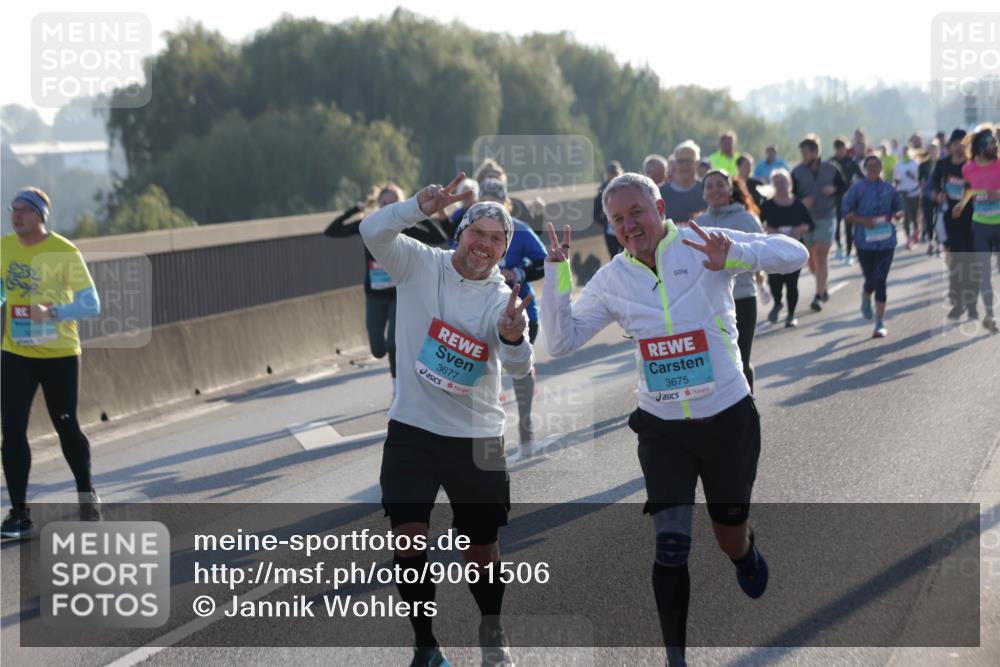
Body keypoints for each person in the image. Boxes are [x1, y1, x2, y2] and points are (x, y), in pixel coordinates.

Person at [542, 172, 807, 666]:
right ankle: (676, 659)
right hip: (663, 428)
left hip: (727, 417)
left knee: (729, 535)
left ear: (659, 207)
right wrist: (556, 275)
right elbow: (560, 343)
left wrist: (738, 256)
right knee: (670, 544)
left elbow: (796, 254)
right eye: (618, 219)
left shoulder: (701, 243)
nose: (629, 225)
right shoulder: (613, 278)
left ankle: (744, 552)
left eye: (636, 212)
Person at [360, 173, 534, 667]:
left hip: (474, 438)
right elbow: (372, 233)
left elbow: (520, 368)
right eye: (477, 232)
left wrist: (515, 337)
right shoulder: (418, 263)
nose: (485, 244)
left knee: (481, 549)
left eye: (497, 239)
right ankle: (425, 643)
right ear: (460, 234)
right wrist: (416, 206)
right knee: (409, 542)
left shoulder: (504, 300)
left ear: (503, 251)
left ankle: (492, 634)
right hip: (411, 432)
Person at [2, 187, 103, 540]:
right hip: (16, 352)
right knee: (12, 428)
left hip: (59, 353)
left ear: (40, 216)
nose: (16, 216)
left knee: (66, 425)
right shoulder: (4, 247)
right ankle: (18, 514)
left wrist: (53, 312)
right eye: (13, 209)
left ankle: (86, 496)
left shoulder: (64, 251)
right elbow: (1, 289)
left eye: (24, 210)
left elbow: (92, 304)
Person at [324, 183, 448, 403]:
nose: (387, 208)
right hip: (374, 294)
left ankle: (396, 390)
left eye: (393, 204)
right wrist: (356, 209)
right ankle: (396, 379)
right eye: (383, 204)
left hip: (399, 292)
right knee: (378, 349)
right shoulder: (368, 226)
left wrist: (417, 213)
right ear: (377, 205)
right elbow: (332, 231)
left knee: (393, 343)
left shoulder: (406, 227)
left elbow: (438, 237)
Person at [476, 178, 548, 458]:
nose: (491, 206)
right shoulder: (470, 230)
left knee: (519, 372)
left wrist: (517, 273)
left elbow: (543, 263)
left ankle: (527, 432)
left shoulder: (520, 229)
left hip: (521, 314)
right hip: (481, 316)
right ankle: (486, 438)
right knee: (482, 375)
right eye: (486, 200)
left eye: (496, 200)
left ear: (506, 201)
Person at [695, 171, 764, 391]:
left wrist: (731, 262)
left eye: (720, 185)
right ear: (703, 193)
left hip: (742, 298)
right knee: (715, 364)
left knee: (740, 362)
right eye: (710, 186)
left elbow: (761, 256)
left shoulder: (746, 219)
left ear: (730, 189)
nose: (715, 190)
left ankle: (748, 410)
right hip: (709, 303)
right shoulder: (698, 223)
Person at [842, 155, 904, 338]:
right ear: (864, 168)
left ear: (881, 167)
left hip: (886, 240)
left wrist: (898, 214)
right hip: (864, 241)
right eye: (870, 166)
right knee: (871, 279)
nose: (874, 169)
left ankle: (879, 323)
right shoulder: (857, 189)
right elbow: (846, 213)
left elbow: (898, 208)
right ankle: (866, 295)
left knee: (881, 279)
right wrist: (863, 220)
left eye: (877, 166)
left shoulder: (889, 188)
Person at [953, 126, 1000, 333]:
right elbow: (969, 189)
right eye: (990, 143)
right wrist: (960, 205)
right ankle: (990, 315)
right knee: (984, 274)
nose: (995, 145)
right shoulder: (968, 168)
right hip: (980, 225)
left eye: (994, 142)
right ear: (981, 147)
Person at [792, 135, 847, 312]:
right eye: (802, 153)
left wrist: (835, 190)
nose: (804, 156)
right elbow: (791, 196)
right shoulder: (797, 172)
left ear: (816, 152)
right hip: (806, 220)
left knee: (822, 256)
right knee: (811, 260)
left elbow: (844, 187)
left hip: (827, 216)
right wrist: (801, 202)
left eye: (806, 153)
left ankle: (817, 296)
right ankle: (823, 285)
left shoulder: (831, 168)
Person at [933, 129, 979, 321]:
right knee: (957, 260)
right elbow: (933, 186)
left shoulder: (972, 165)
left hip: (973, 218)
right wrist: (937, 194)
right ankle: (958, 303)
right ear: (950, 146)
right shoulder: (942, 164)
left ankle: (972, 306)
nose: (958, 146)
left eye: (962, 143)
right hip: (951, 218)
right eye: (955, 143)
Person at [759, 169, 814, 327]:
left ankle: (791, 315)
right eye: (777, 182)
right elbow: (758, 224)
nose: (781, 185)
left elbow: (810, 224)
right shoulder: (768, 205)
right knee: (774, 283)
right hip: (773, 250)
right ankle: (777, 303)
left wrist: (800, 229)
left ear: (789, 183)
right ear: (773, 185)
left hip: (793, 250)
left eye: (783, 182)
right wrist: (769, 230)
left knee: (792, 284)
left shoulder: (797, 205)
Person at [830, 137, 864, 264]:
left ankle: (849, 253)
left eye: (843, 148)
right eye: (838, 148)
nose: (841, 151)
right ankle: (838, 246)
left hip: (849, 198)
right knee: (836, 225)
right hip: (835, 198)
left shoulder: (851, 162)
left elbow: (861, 177)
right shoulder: (831, 163)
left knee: (849, 226)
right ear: (836, 149)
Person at [662, 141, 707, 222]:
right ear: (674, 164)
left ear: (697, 163)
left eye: (689, 161)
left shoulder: (707, 190)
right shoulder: (660, 192)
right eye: (680, 161)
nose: (684, 165)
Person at [893, 147, 922, 249]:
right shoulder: (898, 164)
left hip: (914, 192)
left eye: (906, 152)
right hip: (903, 192)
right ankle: (908, 239)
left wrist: (911, 176)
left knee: (915, 216)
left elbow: (919, 179)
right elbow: (895, 179)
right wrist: (897, 182)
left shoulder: (915, 163)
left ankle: (916, 231)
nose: (905, 154)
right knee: (906, 215)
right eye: (903, 152)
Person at [596, 161, 625, 258]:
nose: (613, 176)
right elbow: (595, 214)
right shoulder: (602, 190)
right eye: (611, 173)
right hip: (610, 233)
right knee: (614, 258)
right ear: (607, 175)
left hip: (626, 229)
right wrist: (607, 222)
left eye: (615, 173)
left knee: (629, 257)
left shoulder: (626, 188)